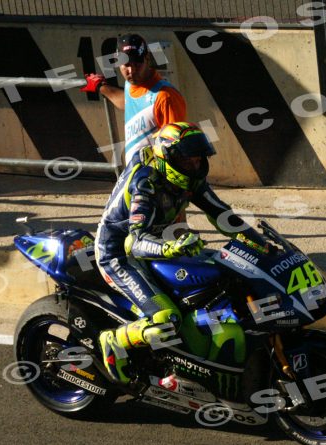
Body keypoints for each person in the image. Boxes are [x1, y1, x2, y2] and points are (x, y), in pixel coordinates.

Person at [94, 122, 269, 384]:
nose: (195, 165)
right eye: (188, 160)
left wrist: (260, 244)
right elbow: (136, 241)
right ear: (169, 157)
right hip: (120, 254)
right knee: (167, 319)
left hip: (162, 247)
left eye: (198, 159)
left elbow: (220, 213)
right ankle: (115, 342)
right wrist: (170, 248)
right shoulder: (146, 184)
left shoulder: (190, 178)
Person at [81, 33, 187, 165]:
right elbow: (129, 103)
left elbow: (176, 147)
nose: (131, 71)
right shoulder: (131, 85)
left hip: (157, 179)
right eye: (126, 65)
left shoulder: (166, 97)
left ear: (147, 59)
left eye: (137, 64)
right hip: (135, 174)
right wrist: (102, 88)